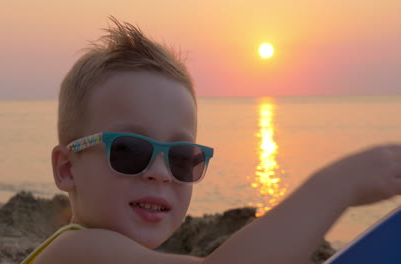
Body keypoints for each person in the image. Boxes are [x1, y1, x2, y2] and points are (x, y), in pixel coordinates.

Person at [22, 16, 401, 264]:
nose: (160, 173)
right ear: (67, 168)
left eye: (181, 157)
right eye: (129, 151)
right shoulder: (74, 252)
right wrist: (338, 185)